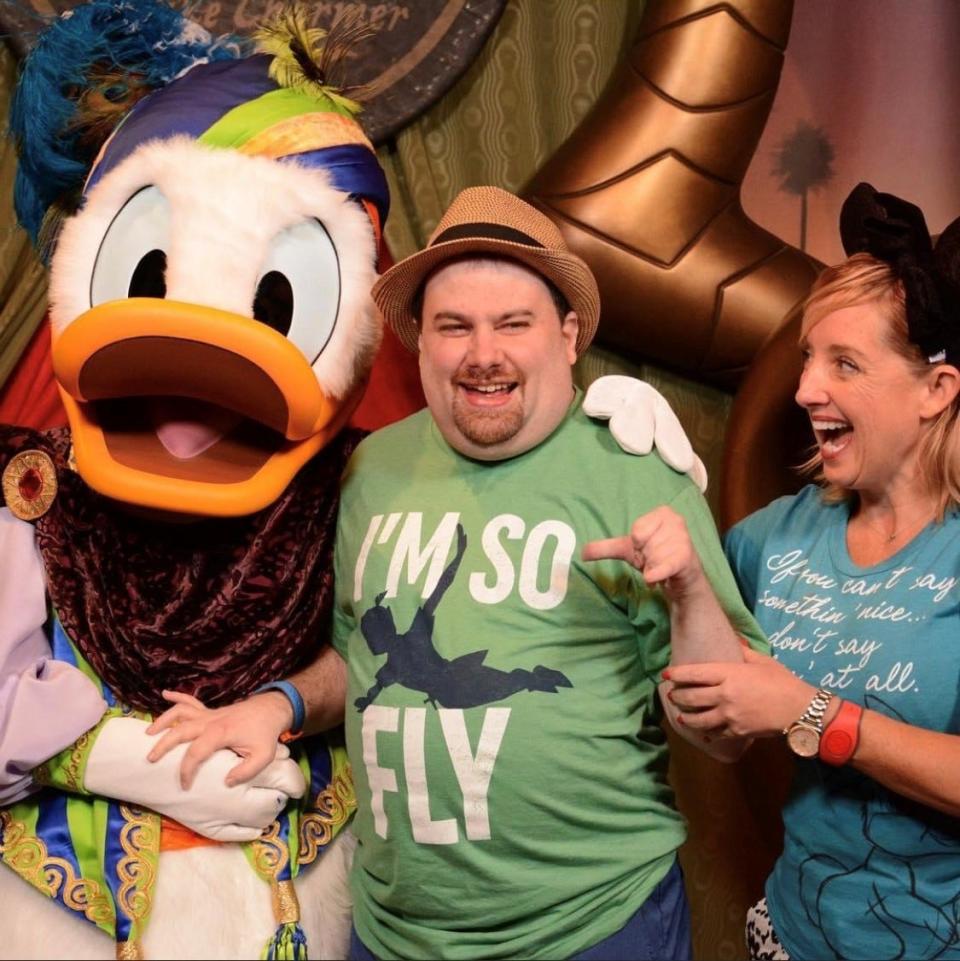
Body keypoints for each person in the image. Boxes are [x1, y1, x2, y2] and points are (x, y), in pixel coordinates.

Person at [326, 185, 767, 960]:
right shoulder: (372, 468)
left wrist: (691, 589)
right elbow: (349, 660)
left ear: (567, 336)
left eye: (512, 324)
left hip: (588, 929)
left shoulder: (637, 473)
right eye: (453, 325)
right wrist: (279, 705)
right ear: (420, 341)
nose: (482, 353)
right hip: (392, 933)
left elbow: (728, 739)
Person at [664, 183, 960, 961]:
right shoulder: (771, 540)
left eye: (845, 363)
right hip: (793, 937)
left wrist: (809, 710)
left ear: (936, 390)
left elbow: (793, 708)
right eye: (806, 358)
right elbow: (708, 709)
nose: (805, 389)